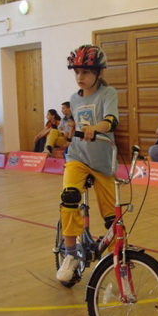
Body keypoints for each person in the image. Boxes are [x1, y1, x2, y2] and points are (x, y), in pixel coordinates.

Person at [56, 44, 119, 283]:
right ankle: (70, 256)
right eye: (77, 73)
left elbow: (111, 121)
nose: (80, 77)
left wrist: (96, 128)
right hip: (78, 157)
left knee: (114, 219)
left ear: (99, 73)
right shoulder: (73, 99)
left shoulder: (108, 93)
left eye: (86, 72)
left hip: (102, 162)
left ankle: (116, 257)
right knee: (70, 197)